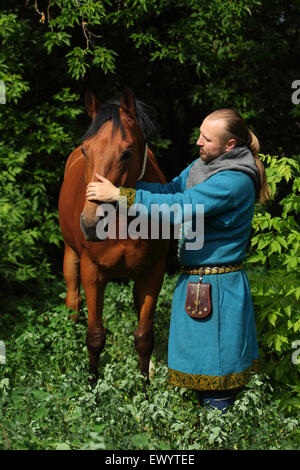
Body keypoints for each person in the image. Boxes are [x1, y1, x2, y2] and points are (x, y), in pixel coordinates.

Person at [86, 108, 270, 413]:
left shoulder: (234, 180)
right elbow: (171, 189)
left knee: (218, 369)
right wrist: (123, 185)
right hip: (197, 280)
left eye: (207, 139)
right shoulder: (203, 166)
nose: (198, 142)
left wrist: (120, 196)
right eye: (199, 133)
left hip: (219, 287)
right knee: (202, 365)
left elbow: (182, 206)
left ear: (230, 145)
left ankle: (219, 432)